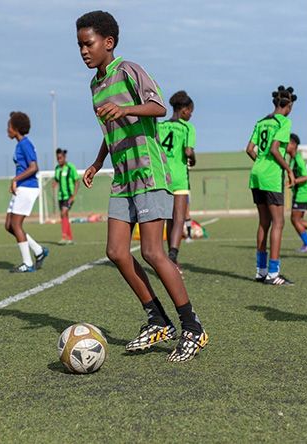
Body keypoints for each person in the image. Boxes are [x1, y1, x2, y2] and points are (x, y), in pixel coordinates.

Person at [77, 10, 208, 362]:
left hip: (149, 174)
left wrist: (125, 109)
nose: (83, 51)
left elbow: (158, 106)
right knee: (117, 252)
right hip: (123, 178)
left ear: (108, 42)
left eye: (88, 44)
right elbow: (110, 129)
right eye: (79, 45)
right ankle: (157, 319)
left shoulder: (129, 69)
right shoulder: (94, 85)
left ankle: (192, 327)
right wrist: (97, 161)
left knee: (152, 252)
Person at [245, 86, 297, 286]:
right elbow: (276, 149)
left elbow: (249, 149)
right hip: (271, 177)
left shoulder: (261, 122)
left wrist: (260, 163)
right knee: (279, 223)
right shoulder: (284, 122)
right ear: (289, 105)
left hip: (256, 175)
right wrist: (289, 170)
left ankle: (261, 271)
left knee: (263, 223)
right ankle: (274, 274)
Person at [158, 90, 197, 271]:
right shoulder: (187, 128)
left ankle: (169, 258)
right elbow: (188, 152)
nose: (190, 114)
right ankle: (173, 255)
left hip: (163, 177)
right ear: (184, 110)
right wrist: (193, 159)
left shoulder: (161, 126)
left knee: (168, 219)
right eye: (190, 111)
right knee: (179, 218)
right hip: (180, 178)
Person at [5, 111, 48, 272]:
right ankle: (39, 251)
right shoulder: (20, 144)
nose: (7, 129)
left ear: (15, 128)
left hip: (28, 187)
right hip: (22, 188)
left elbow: (34, 167)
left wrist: (15, 179)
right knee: (9, 225)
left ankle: (28, 263)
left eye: (8, 126)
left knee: (16, 224)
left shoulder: (25, 144)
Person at [286, 134, 307, 253]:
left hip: (303, 193)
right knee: (296, 220)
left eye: (286, 143)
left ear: (293, 145)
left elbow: (306, 176)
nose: (284, 145)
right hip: (298, 193)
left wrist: (293, 182)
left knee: (295, 220)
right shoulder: (292, 160)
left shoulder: (298, 159)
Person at [53, 148, 80, 244]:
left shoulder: (70, 167)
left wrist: (73, 195)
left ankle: (64, 237)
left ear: (64, 157)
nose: (59, 160)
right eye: (57, 158)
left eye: (60, 158)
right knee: (65, 216)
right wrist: (55, 183)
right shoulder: (57, 169)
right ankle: (70, 238)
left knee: (63, 213)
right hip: (61, 197)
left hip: (69, 196)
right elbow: (56, 179)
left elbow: (77, 181)